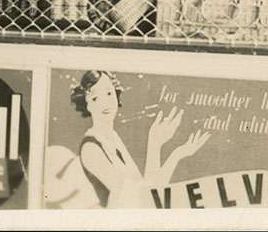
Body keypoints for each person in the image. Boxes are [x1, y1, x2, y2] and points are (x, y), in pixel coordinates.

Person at [70, 70, 210, 208]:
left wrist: (171, 152)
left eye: (108, 93)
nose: (105, 102)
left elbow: (150, 188)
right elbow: (140, 199)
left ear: (116, 93)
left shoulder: (113, 138)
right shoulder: (91, 148)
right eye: (95, 98)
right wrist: (154, 145)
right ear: (87, 104)